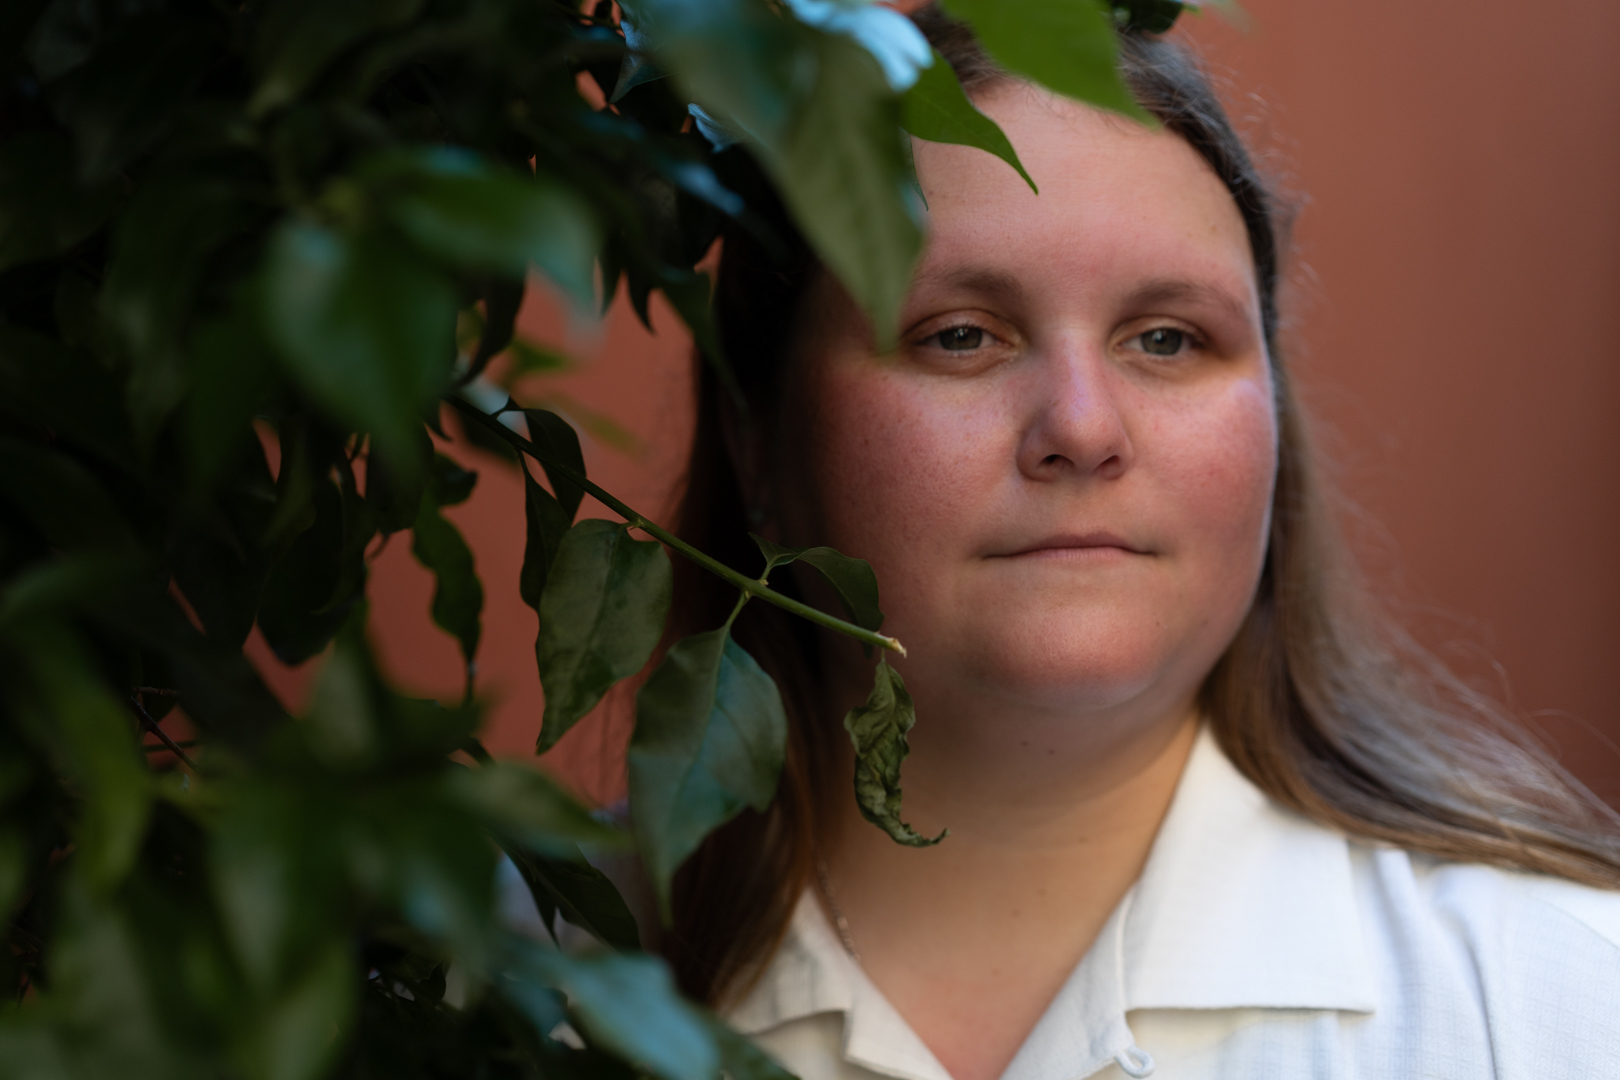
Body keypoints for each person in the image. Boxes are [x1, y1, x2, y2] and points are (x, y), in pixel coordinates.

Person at [659, 8, 1620, 1078]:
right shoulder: (532, 993)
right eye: (960, 335)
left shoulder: (1565, 1007)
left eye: (1167, 338)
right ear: (757, 441)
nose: (1081, 427)